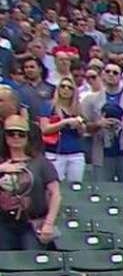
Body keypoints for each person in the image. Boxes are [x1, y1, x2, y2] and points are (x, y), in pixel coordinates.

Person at [0, 115, 60, 251]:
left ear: (27, 137)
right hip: (3, 223)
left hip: (32, 222)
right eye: (11, 134)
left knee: (32, 258)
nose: (16, 137)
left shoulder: (41, 162)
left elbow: (55, 194)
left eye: (21, 134)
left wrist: (49, 223)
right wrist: (2, 168)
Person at [81, 62, 123, 184]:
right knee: (102, 190)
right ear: (102, 75)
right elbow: (83, 127)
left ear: (121, 77)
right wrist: (98, 124)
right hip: (101, 151)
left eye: (115, 73)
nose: (111, 75)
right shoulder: (91, 99)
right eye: (108, 71)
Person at [40, 77, 87, 183]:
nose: (66, 89)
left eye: (70, 88)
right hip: (55, 152)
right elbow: (44, 129)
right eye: (63, 86)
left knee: (76, 186)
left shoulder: (78, 108)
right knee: (55, 185)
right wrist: (64, 123)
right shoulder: (49, 106)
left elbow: (82, 133)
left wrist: (80, 127)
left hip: (75, 152)